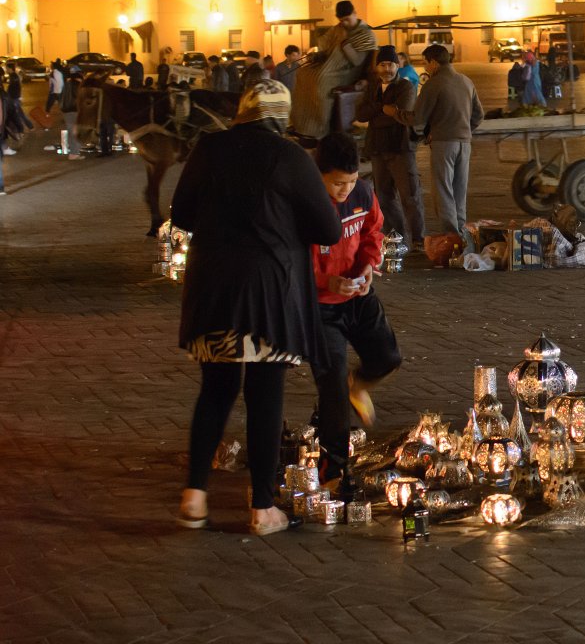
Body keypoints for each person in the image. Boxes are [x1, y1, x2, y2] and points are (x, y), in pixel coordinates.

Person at [172, 79, 342, 536]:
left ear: (243, 110)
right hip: (271, 293)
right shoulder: (290, 156)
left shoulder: (209, 148)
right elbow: (328, 229)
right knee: (265, 394)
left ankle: (194, 496)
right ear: (281, 116)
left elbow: (182, 215)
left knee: (217, 387)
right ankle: (263, 508)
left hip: (214, 289)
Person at [311, 132, 402, 492]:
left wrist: (368, 267)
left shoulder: (363, 192)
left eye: (350, 181)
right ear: (319, 174)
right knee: (331, 386)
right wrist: (325, 282)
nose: (345, 190)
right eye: (337, 183)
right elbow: (287, 260)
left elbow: (372, 231)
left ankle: (358, 385)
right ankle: (333, 469)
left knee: (388, 356)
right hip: (319, 307)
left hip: (357, 295)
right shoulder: (304, 204)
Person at [406, 43, 481, 241]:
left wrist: (395, 113)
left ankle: (451, 234)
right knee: (459, 188)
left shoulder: (434, 83)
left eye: (425, 63)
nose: (425, 68)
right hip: (465, 143)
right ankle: (462, 232)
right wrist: (464, 130)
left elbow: (417, 118)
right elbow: (478, 115)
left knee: (443, 189)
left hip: (444, 143)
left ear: (433, 62)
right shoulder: (466, 81)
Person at [355, 45, 425, 247]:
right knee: (384, 197)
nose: (387, 69)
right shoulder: (372, 88)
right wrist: (383, 109)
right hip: (378, 148)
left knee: (410, 196)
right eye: (383, 65)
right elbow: (360, 114)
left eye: (391, 65)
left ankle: (419, 241)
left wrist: (379, 114)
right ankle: (396, 239)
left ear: (398, 65)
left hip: (400, 148)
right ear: (377, 67)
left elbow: (400, 116)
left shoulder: (405, 87)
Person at [291, 0, 378, 141]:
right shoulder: (338, 29)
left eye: (347, 20)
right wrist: (317, 56)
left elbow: (357, 61)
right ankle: (303, 125)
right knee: (303, 73)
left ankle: (320, 129)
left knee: (320, 79)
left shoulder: (366, 33)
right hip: (331, 67)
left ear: (355, 13)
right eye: (341, 20)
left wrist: (346, 45)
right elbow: (329, 51)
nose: (344, 23)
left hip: (349, 72)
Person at [60, 66, 84, 160]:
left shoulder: (66, 84)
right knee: (75, 131)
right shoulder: (79, 85)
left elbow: (61, 97)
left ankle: (72, 153)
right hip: (75, 110)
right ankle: (75, 153)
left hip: (66, 110)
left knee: (70, 131)